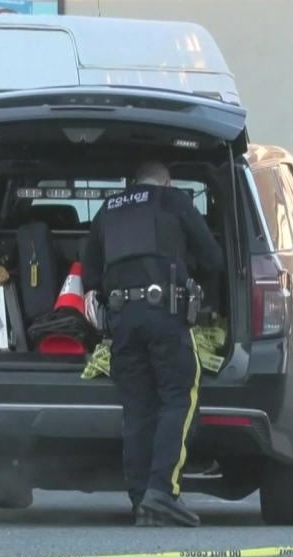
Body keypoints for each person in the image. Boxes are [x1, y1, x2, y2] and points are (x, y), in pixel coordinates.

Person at [80, 161, 224, 527]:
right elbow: (213, 258)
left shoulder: (108, 209)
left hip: (121, 322)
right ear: (167, 182)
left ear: (133, 182)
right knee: (179, 395)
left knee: (137, 407)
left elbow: (91, 273)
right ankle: (163, 490)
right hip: (164, 314)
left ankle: (141, 499)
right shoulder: (172, 201)